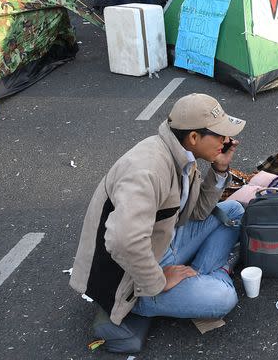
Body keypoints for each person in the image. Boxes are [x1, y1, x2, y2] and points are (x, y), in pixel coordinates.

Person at [70, 94, 246, 334]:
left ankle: (197, 276)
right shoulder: (148, 170)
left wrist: (219, 168)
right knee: (224, 298)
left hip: (163, 245)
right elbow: (122, 240)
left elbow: (198, 212)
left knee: (234, 211)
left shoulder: (182, 153)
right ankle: (204, 279)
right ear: (194, 137)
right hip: (132, 281)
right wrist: (160, 281)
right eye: (219, 135)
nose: (226, 140)